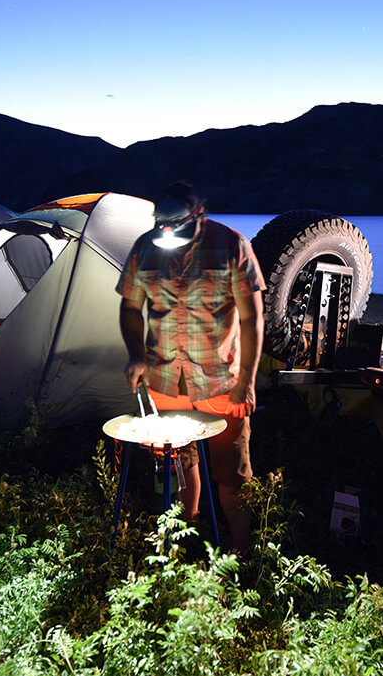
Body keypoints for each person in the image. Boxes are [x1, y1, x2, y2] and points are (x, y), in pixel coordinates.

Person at [116, 181, 265, 555]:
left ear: (199, 215)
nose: (167, 236)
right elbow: (130, 307)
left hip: (221, 383)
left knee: (233, 475)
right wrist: (136, 354)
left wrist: (246, 381)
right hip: (164, 380)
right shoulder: (145, 247)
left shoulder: (232, 246)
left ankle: (241, 556)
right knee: (176, 465)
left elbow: (252, 319)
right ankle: (184, 540)